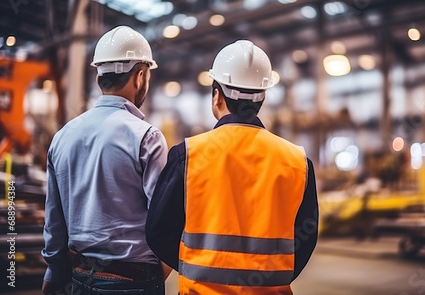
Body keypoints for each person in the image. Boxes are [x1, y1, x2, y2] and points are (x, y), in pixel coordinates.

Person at [146, 40, 318, 294]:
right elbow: (306, 236)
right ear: (263, 97)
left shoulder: (188, 155)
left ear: (216, 96)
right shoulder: (297, 162)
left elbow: (158, 231)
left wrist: (195, 265)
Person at [42, 26, 170, 294]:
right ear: (140, 76)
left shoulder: (63, 136)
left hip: (79, 278)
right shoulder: (146, 137)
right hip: (134, 281)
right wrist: (160, 272)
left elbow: (54, 221)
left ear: (99, 75)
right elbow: (165, 219)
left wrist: (54, 271)